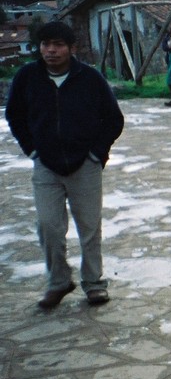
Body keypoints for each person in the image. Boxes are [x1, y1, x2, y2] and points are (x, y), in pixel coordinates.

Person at [5, 20, 125, 309]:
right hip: (46, 166)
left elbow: (113, 120)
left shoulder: (90, 78)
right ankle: (58, 282)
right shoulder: (27, 77)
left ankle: (94, 284)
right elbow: (15, 116)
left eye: (58, 45)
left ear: (72, 48)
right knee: (48, 226)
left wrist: (97, 154)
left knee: (89, 228)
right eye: (46, 45)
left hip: (85, 164)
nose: (51, 51)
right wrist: (33, 151)